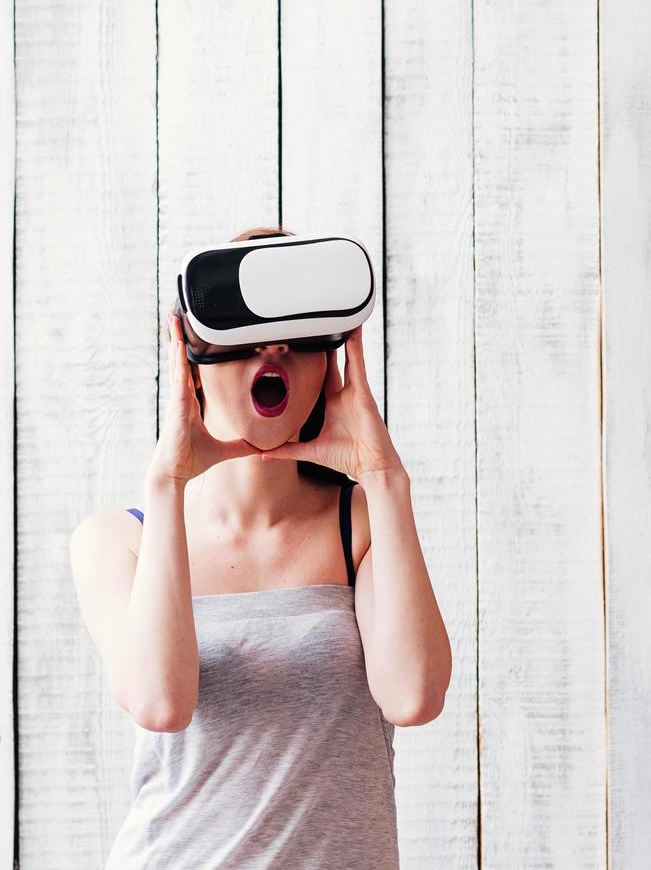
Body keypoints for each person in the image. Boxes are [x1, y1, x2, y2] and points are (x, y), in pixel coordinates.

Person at [69, 225, 452, 869]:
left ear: (332, 364)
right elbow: (162, 703)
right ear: (193, 358)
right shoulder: (119, 540)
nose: (271, 347)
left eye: (300, 333)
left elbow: (413, 697)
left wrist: (384, 478)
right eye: (243, 332)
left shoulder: (361, 526)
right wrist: (168, 483)